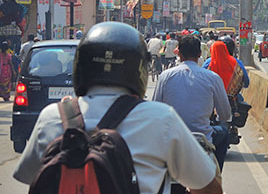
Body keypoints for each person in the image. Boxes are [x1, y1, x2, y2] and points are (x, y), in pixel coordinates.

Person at [13, 22, 222, 194]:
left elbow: (28, 176)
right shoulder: (160, 119)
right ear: (139, 69)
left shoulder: (52, 116)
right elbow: (207, 186)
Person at [153, 35, 232, 171]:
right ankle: (215, 176)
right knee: (224, 133)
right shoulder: (212, 77)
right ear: (200, 54)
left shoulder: (165, 76)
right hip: (204, 138)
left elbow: (155, 110)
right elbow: (225, 115)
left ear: (180, 53)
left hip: (171, 138)